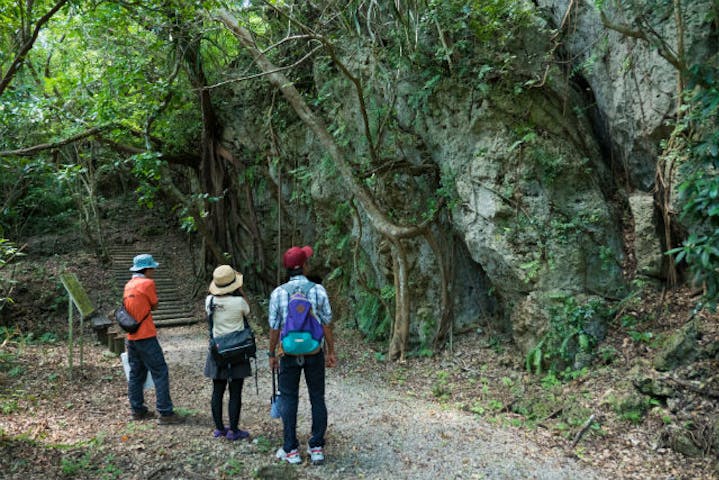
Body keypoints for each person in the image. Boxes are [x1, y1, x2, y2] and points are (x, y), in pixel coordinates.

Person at [268, 245, 337, 465]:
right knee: (317, 397)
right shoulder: (318, 290)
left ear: (287, 269)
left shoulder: (278, 293)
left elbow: (274, 328)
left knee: (288, 398)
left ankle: (290, 449)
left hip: (288, 353)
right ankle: (316, 446)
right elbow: (326, 323)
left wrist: (271, 354)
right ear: (305, 266)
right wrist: (331, 350)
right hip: (314, 351)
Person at [123, 253, 181, 425]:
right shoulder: (147, 283)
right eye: (152, 268)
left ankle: (137, 410)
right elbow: (154, 305)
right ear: (146, 269)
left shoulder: (128, 285)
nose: (154, 271)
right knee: (160, 371)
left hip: (131, 336)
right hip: (146, 335)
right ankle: (165, 413)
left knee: (136, 374)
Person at [204, 265, 253, 441]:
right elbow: (248, 311)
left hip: (217, 350)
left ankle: (219, 428)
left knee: (217, 390)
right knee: (235, 391)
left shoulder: (209, 301)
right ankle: (233, 429)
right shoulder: (239, 302)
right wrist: (240, 292)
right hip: (238, 348)